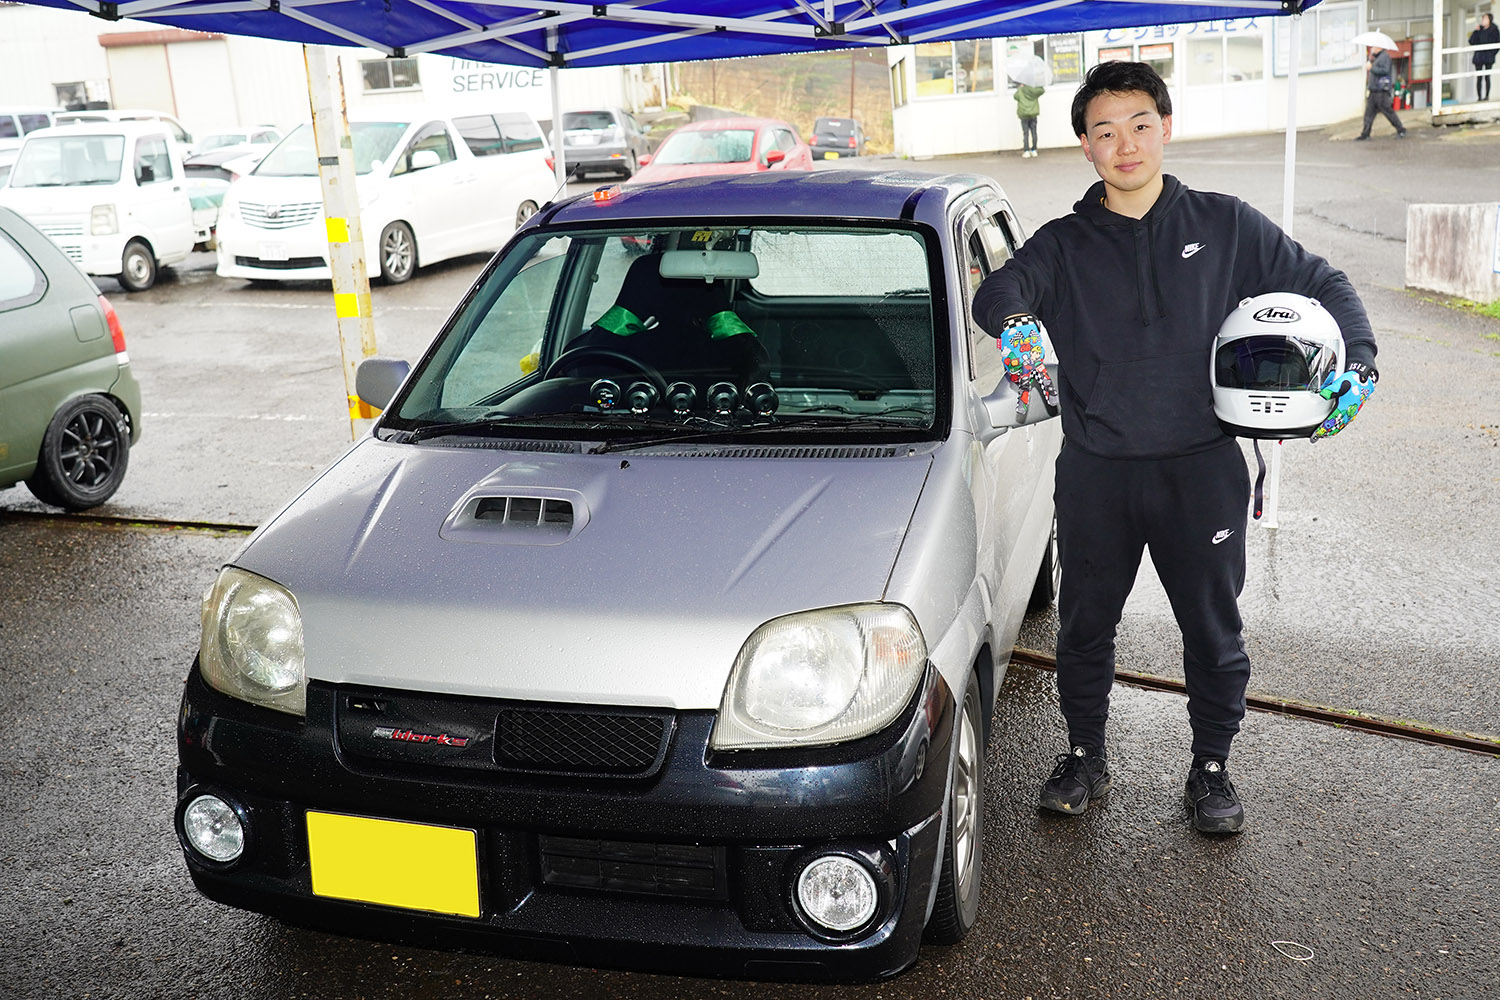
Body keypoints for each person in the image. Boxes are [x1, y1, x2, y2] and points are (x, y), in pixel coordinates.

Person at [972, 61, 1379, 835]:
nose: (1125, 144)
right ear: (1085, 148)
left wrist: (1358, 362)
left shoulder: (1226, 224)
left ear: (1166, 127)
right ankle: (1086, 754)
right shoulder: (1062, 243)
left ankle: (1212, 768)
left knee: (1212, 628)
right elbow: (999, 290)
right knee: (1086, 626)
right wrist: (1018, 325)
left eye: (1140, 125)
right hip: (1097, 472)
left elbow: (1325, 282)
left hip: (1202, 469)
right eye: (1105, 131)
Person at [1357, 44, 1407, 139]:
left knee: (1387, 111)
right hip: (1374, 90)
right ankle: (1365, 134)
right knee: (1369, 113)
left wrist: (1372, 68)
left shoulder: (1385, 57)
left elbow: (1385, 70)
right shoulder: (1378, 57)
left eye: (1373, 47)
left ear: (1378, 48)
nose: (1371, 49)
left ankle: (1401, 129)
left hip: (1381, 90)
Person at [1471, 13, 1498, 103]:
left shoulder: (1494, 30)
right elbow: (1471, 41)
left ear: (1489, 20)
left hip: (1488, 57)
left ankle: (1486, 96)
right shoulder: (1479, 30)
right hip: (1479, 57)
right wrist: (1475, 31)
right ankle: (1479, 97)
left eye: (1485, 19)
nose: (1483, 20)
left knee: (1487, 77)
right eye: (1483, 19)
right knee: (1479, 78)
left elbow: (1497, 44)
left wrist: (1491, 54)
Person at [1015, 81, 1045, 157]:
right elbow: (1042, 90)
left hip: (1024, 115)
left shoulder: (1021, 90)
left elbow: (1015, 97)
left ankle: (1026, 151)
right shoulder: (1033, 90)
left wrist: (1019, 88)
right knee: (1034, 132)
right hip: (1033, 114)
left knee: (1026, 133)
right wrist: (1037, 84)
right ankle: (1034, 150)